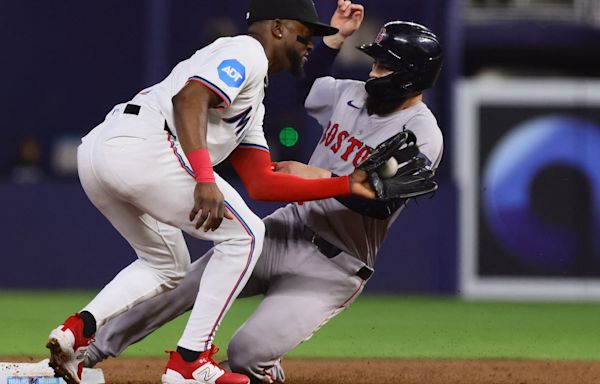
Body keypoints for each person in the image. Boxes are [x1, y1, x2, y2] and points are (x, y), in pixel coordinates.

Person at [83, 13, 444, 384]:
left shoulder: (422, 133)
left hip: (335, 266)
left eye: (385, 66)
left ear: (412, 75)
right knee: (184, 284)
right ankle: (87, 352)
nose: (373, 72)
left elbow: (379, 201)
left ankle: (261, 372)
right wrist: (334, 39)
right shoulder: (352, 94)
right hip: (288, 228)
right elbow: (308, 85)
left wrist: (323, 178)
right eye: (376, 62)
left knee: (246, 354)